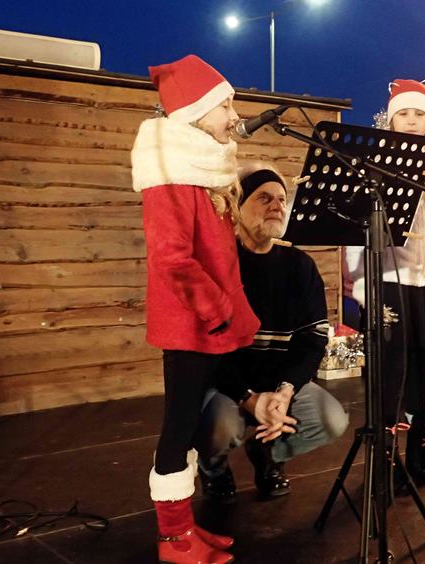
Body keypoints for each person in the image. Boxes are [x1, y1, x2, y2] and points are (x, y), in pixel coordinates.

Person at [131, 54, 260, 564]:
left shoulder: (199, 166)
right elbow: (171, 258)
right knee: (178, 426)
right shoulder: (169, 172)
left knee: (186, 426)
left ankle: (183, 527)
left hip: (207, 321)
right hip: (190, 322)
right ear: (193, 112)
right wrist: (217, 309)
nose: (234, 114)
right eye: (225, 105)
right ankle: (173, 539)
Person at [197, 164, 349, 503]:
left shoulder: (300, 266)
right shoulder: (218, 264)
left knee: (331, 420)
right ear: (237, 207)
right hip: (227, 386)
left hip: (278, 384)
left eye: (281, 199)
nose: (277, 206)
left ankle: (267, 452)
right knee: (219, 428)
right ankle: (214, 468)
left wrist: (285, 391)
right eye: (264, 198)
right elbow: (208, 350)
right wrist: (249, 399)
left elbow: (312, 342)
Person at [347, 78, 425, 486]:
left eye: (419, 114)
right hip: (388, 279)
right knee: (389, 369)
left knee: (419, 363)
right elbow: (355, 228)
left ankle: (419, 447)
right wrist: (360, 283)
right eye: (404, 114)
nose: (412, 121)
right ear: (391, 119)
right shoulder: (376, 157)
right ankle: (385, 454)